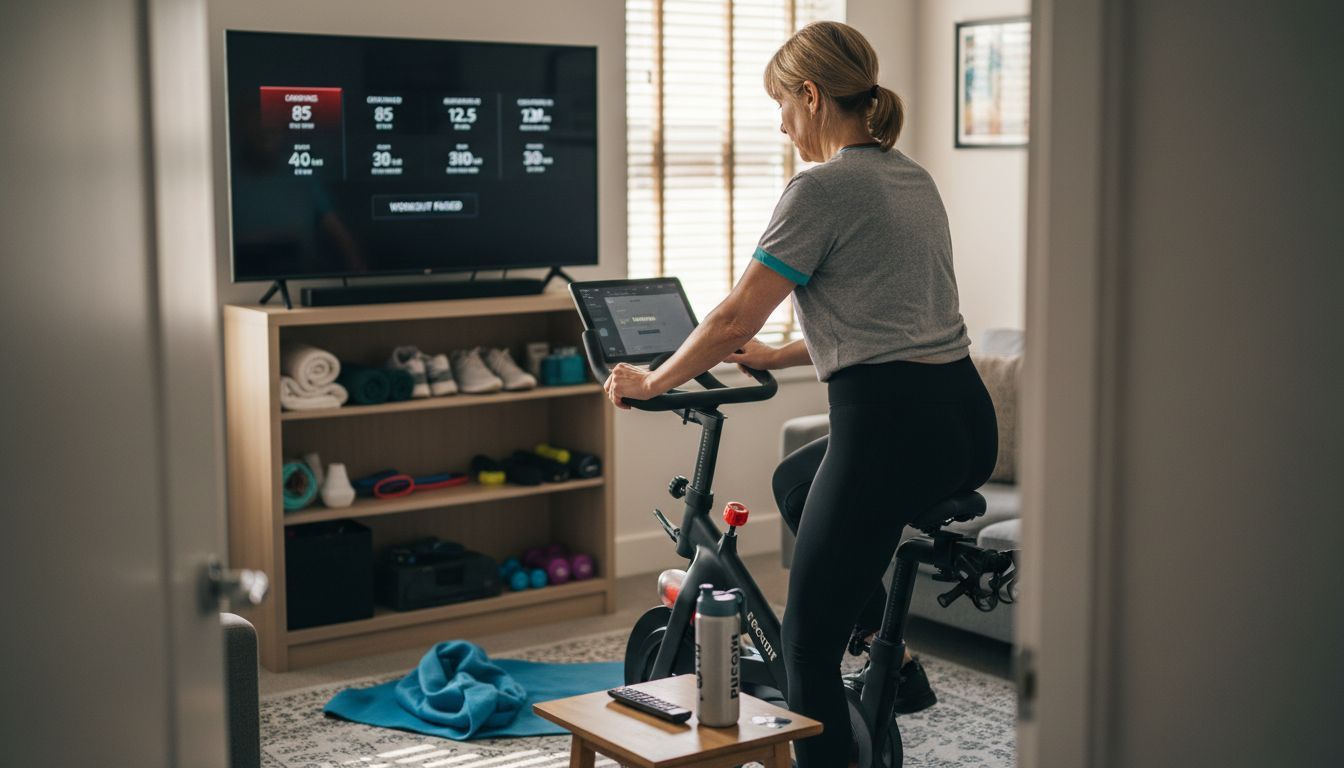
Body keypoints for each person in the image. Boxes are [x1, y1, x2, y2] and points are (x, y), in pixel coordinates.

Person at [603, 20, 998, 767]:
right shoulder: (909, 175)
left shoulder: (820, 187)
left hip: (890, 432)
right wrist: (781, 353)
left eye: (782, 104)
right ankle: (894, 658)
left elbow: (729, 317)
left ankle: (847, 693)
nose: (781, 123)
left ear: (811, 96)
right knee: (794, 480)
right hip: (964, 423)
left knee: (804, 647)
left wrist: (651, 380)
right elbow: (894, 321)